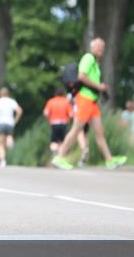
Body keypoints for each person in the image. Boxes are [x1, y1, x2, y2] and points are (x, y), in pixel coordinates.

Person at [52, 38, 128, 170]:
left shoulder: (95, 63)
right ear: (92, 47)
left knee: (100, 132)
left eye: (103, 47)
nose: (101, 49)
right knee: (76, 129)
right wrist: (99, 86)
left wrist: (99, 88)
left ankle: (109, 160)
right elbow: (81, 76)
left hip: (92, 102)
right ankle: (60, 157)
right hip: (85, 99)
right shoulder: (88, 58)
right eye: (98, 47)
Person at [0, 88, 22, 168]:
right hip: (10, 123)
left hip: (1, 123)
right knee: (8, 138)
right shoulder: (12, 101)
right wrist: (15, 120)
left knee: (0, 144)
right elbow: (19, 111)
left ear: (0, 94)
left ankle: (2, 161)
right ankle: (10, 140)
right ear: (7, 94)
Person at [43, 87, 73, 158]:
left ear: (55, 93)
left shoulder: (51, 101)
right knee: (63, 141)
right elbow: (71, 114)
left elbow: (46, 113)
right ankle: (61, 156)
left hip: (54, 123)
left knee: (54, 141)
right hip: (64, 124)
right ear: (63, 93)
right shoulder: (66, 101)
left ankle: (55, 153)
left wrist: (49, 119)